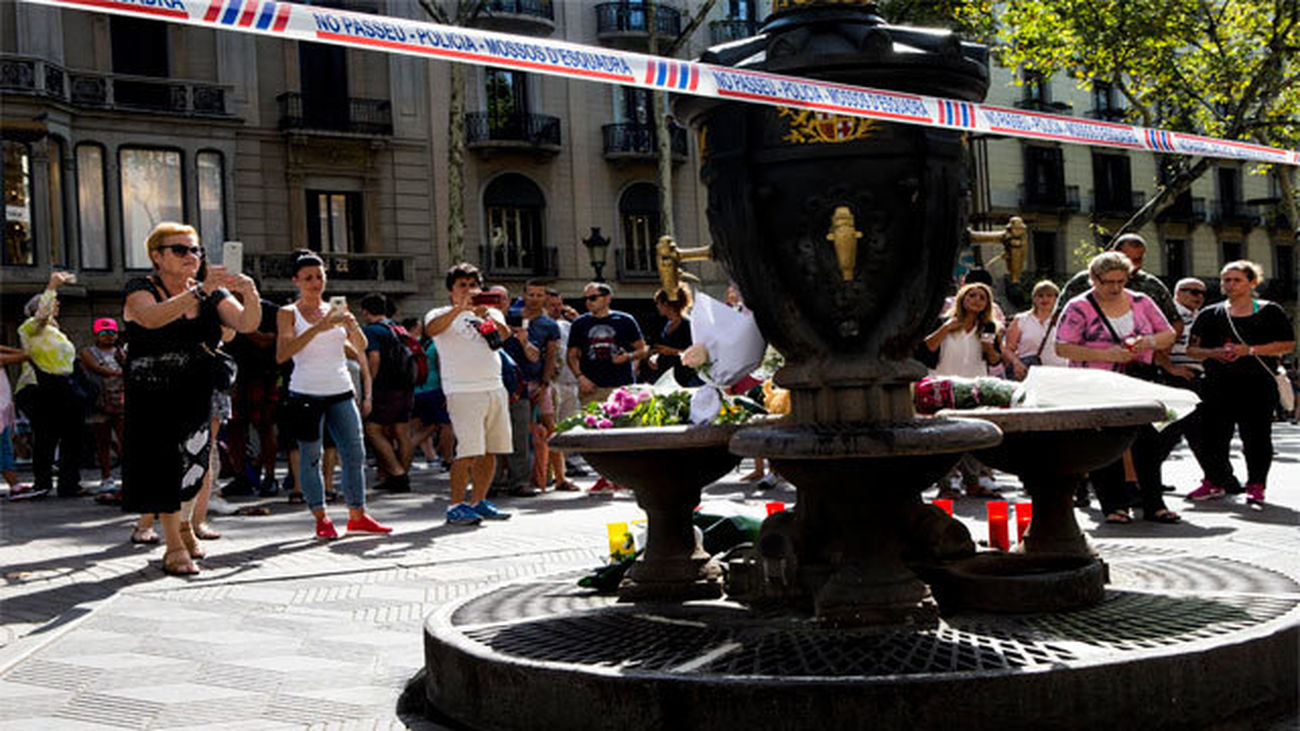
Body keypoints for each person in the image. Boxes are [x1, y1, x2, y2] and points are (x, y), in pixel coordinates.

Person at [121, 222, 261, 576]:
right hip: (152, 392)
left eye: (195, 250)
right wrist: (200, 291)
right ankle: (172, 547)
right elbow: (151, 318)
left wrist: (250, 292)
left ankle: (184, 526)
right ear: (156, 255)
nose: (191, 256)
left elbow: (246, 324)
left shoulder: (210, 294)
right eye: (180, 250)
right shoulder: (141, 287)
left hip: (196, 391)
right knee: (165, 467)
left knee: (194, 468)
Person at [1054, 251, 1180, 525]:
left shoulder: (1141, 301)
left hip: (1139, 378)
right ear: (1093, 279)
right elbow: (1062, 346)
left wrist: (1147, 342)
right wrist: (1108, 355)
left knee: (1148, 441)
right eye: (1107, 282)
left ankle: (1154, 503)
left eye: (1120, 281)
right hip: (1097, 383)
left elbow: (1168, 333)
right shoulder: (1079, 306)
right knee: (1107, 444)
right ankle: (1114, 505)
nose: (1114, 288)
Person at [276, 251, 392, 540]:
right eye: (308, 278)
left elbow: (360, 346)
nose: (316, 283)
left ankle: (358, 514)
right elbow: (283, 354)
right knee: (311, 456)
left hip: (340, 390)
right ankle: (321, 516)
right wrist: (319, 328)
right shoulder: (288, 313)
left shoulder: (335, 310)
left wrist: (351, 325)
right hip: (305, 391)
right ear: (296, 281)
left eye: (320, 277)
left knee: (355, 453)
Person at [1185, 261, 1295, 507]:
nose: (1230, 285)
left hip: (1257, 385)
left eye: (1236, 280)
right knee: (1212, 437)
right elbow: (1192, 350)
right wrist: (1215, 353)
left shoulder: (1270, 311)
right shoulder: (1209, 313)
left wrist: (1250, 350)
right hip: (1217, 385)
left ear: (1252, 282)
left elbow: (1287, 345)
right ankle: (1214, 481)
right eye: (1226, 280)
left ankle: (1256, 485)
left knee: (1256, 437)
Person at [425, 263, 514, 525]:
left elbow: (504, 335)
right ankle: (455, 505)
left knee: (490, 450)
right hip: (463, 390)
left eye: (472, 285)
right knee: (468, 451)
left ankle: (479, 500)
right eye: (462, 285)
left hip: (494, 387)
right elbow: (432, 330)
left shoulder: (490, 313)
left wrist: (486, 314)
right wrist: (459, 309)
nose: (468, 290)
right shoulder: (439, 313)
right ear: (450, 290)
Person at [923, 281, 1004, 498]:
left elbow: (996, 360)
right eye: (972, 296)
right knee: (945, 436)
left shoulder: (988, 328)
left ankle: (973, 482)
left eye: (982, 297)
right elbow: (928, 346)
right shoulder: (943, 322)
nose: (976, 300)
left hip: (974, 386)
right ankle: (946, 484)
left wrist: (989, 348)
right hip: (944, 385)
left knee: (974, 435)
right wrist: (946, 328)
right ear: (962, 299)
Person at [567, 281, 647, 494]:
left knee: (621, 432)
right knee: (596, 435)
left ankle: (622, 478)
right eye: (586, 299)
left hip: (621, 386)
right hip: (592, 386)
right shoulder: (580, 324)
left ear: (607, 298)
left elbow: (642, 349)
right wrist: (580, 376)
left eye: (593, 297)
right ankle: (605, 478)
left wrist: (628, 357)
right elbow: (572, 355)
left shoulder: (625, 320)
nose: (588, 302)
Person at [13, 271, 86, 499]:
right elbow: (42, 315)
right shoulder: (29, 327)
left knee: (72, 436)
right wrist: (52, 286)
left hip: (65, 386)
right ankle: (42, 483)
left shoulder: (58, 334)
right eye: (54, 304)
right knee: (46, 435)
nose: (57, 307)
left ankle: (69, 484)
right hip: (40, 388)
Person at [223, 285, 282, 497]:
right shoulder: (225, 308)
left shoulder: (270, 310)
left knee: (265, 427)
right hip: (234, 376)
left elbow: (269, 340)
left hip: (262, 375)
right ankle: (242, 476)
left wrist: (246, 327)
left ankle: (270, 477)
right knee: (234, 429)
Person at [359, 293, 414, 493]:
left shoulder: (371, 331)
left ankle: (397, 474)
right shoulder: (398, 328)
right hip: (406, 385)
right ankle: (401, 475)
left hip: (384, 387)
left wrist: (369, 387)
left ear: (365, 312)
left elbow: (374, 358)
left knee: (373, 430)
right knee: (402, 432)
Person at [515, 281, 563, 492]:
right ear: (523, 295)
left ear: (544, 297)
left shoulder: (549, 325)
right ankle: (524, 477)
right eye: (531, 294)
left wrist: (545, 384)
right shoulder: (510, 316)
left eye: (539, 294)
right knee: (518, 431)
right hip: (513, 382)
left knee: (551, 428)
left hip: (538, 382)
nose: (535, 298)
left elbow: (551, 356)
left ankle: (560, 477)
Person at [79, 318, 126, 494]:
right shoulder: (88, 352)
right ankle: (106, 477)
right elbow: (96, 369)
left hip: (120, 402)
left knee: (124, 441)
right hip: (99, 402)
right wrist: (120, 372)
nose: (108, 337)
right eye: (104, 333)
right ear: (96, 334)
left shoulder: (121, 352)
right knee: (103, 442)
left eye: (112, 333)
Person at [546, 289, 584, 486]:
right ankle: (552, 467)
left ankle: (567, 461)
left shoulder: (568, 326)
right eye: (552, 305)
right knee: (554, 425)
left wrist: (578, 320)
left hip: (570, 381)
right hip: (554, 382)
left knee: (568, 424)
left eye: (559, 304)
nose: (557, 308)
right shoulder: (542, 326)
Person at [1001, 280, 1068, 379]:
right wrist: (1016, 363)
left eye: (1049, 295)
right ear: (1034, 299)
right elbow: (1008, 349)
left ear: (1056, 298)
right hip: (1030, 373)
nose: (1044, 299)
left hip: (1058, 372)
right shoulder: (1021, 319)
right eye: (1040, 296)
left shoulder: (1065, 320)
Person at [645, 285, 702, 387]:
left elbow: (696, 352)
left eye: (659, 303)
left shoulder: (688, 325)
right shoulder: (661, 323)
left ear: (667, 304)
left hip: (684, 376)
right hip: (664, 375)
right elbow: (655, 347)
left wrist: (672, 351)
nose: (657, 307)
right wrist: (653, 356)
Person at [0, 345, 32, 498]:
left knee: (5, 448)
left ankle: (14, 484)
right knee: (3, 449)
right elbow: (26, 355)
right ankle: (14, 484)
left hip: (3, 410)